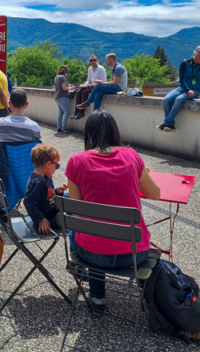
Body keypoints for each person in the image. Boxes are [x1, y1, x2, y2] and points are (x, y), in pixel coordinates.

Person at [65, 109, 161, 314]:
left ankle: (98, 298)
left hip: (93, 255)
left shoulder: (76, 161)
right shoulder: (132, 156)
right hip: (135, 255)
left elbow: (77, 212)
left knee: (85, 231)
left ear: (87, 133)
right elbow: (155, 194)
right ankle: (148, 301)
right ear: (114, 131)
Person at [157, 45, 200, 132]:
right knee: (166, 100)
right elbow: (182, 79)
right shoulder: (185, 63)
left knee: (179, 99)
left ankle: (166, 123)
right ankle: (171, 125)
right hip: (182, 88)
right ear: (195, 54)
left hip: (195, 90)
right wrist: (188, 90)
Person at [24, 143, 68, 235]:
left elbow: (44, 196)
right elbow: (29, 202)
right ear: (48, 164)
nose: (56, 169)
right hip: (48, 218)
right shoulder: (38, 182)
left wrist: (56, 191)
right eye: (56, 166)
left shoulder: (45, 177)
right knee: (74, 221)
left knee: (72, 201)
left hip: (51, 211)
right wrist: (40, 220)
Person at [72, 55, 107, 119]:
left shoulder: (101, 69)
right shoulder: (90, 69)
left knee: (85, 92)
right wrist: (84, 85)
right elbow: (88, 80)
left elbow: (104, 81)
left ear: (97, 60)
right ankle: (76, 111)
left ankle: (81, 112)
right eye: (91, 60)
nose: (93, 61)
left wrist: (93, 84)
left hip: (97, 86)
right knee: (79, 91)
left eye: (94, 60)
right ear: (89, 62)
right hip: (91, 85)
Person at [54, 65, 75, 133]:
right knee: (67, 112)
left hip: (57, 96)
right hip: (62, 97)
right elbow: (64, 88)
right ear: (65, 71)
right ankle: (63, 128)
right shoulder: (62, 77)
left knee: (60, 113)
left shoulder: (56, 77)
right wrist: (71, 88)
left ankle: (59, 127)